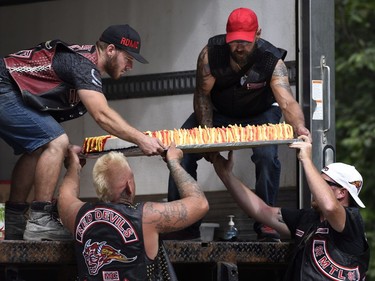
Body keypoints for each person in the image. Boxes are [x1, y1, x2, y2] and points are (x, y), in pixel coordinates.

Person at [0, 24, 166, 241]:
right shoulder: (83, 64)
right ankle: (40, 221)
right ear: (110, 50)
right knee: (55, 141)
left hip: (7, 87)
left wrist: (59, 148)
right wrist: (141, 139)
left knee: (40, 147)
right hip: (3, 86)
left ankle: (15, 221)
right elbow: (102, 115)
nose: (130, 66)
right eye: (128, 58)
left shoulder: (83, 64)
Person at [167, 7, 311, 241]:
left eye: (245, 41)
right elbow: (202, 95)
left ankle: (266, 222)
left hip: (260, 112)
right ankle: (180, 221)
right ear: (226, 37)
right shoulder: (210, 55)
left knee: (266, 155)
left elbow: (287, 102)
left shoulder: (271, 61)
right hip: (220, 111)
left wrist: (301, 129)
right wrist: (206, 136)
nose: (240, 47)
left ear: (258, 34)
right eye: (234, 41)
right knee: (180, 149)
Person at [209, 135, 370, 280]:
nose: (314, 187)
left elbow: (330, 207)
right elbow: (262, 211)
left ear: (342, 192)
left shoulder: (352, 222)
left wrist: (306, 160)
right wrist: (226, 175)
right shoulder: (307, 219)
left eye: (323, 183)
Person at [58, 144, 209, 280]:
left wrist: (73, 166)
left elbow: (65, 195)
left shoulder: (77, 215)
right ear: (129, 186)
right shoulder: (147, 216)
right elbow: (200, 203)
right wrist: (174, 163)